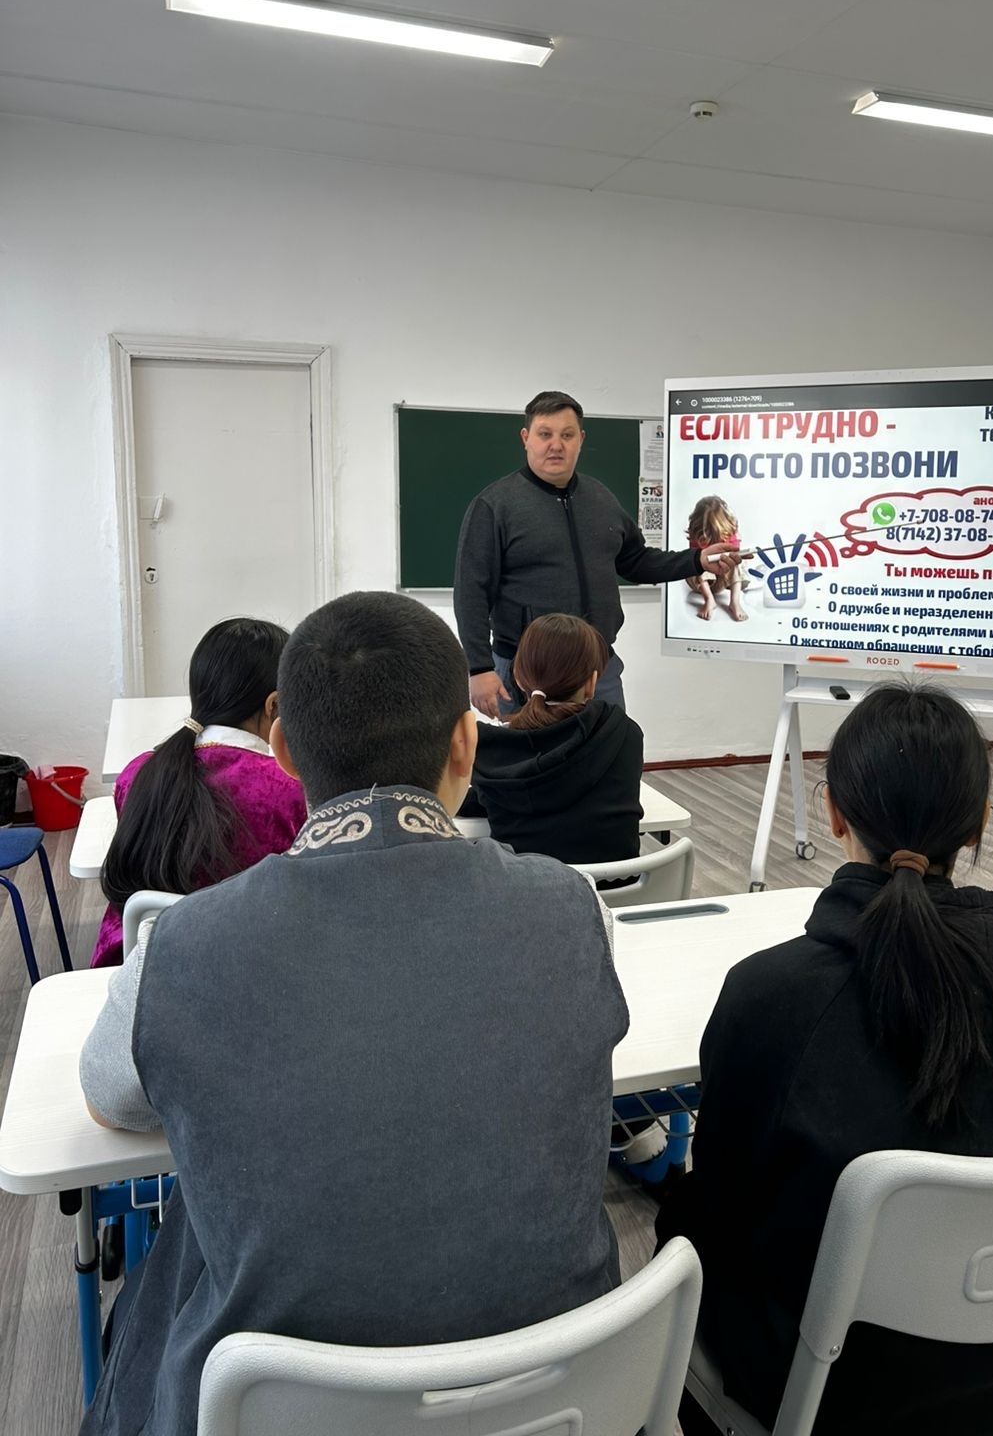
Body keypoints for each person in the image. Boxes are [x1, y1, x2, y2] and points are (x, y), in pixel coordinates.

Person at [78, 592, 628, 1436]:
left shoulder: (181, 944)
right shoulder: (573, 910)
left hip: (275, 1409)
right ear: (466, 741)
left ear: (284, 749)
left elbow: (109, 1099)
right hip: (553, 1396)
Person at [656, 684, 993, 1436]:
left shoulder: (771, 995)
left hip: (836, 1392)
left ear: (834, 813)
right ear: (978, 823)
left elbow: (723, 1203)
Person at [454, 391, 747, 717]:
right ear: (526, 438)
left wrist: (697, 560)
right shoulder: (495, 506)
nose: (556, 445)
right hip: (528, 670)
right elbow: (471, 591)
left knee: (611, 746)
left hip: (598, 668)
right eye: (545, 434)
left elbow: (637, 561)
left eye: (567, 435)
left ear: (581, 439)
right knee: (534, 751)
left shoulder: (600, 498)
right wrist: (479, 668)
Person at [91, 618, 307, 968]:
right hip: (245, 969)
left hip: (137, 966)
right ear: (274, 705)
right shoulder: (289, 790)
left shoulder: (138, 773)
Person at [462, 613, 643, 865]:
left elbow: (478, 801)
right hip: (617, 885)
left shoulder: (491, 752)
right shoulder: (624, 733)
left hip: (527, 888)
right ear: (592, 683)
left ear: (518, 678)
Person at [685, 495, 750, 622]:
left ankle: (735, 602)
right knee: (694, 563)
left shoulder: (730, 535)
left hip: (723, 580)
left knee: (736, 562)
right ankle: (709, 599)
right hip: (703, 584)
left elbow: (734, 558)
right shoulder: (696, 535)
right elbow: (696, 563)